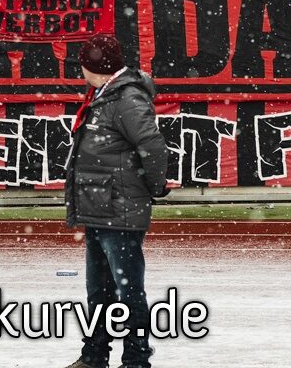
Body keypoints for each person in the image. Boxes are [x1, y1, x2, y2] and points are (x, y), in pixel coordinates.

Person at [63, 34, 170, 368]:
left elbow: (152, 145)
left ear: (90, 66)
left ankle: (136, 360)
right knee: (100, 293)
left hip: (120, 210)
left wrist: (154, 187)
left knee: (127, 293)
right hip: (101, 208)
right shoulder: (105, 94)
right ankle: (95, 355)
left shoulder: (126, 98)